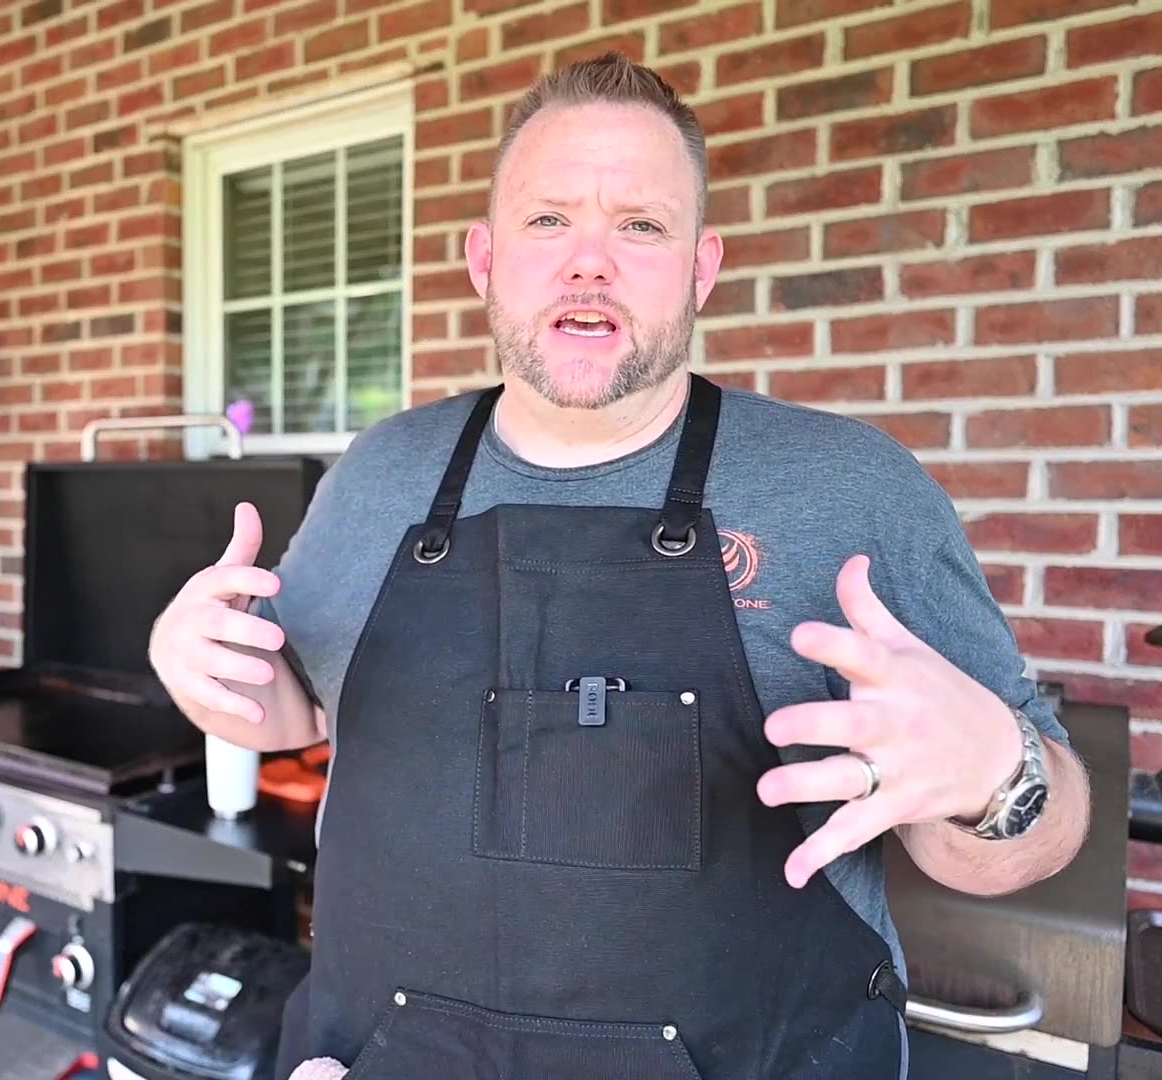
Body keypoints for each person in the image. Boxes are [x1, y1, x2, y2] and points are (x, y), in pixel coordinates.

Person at [147, 52, 1093, 1080]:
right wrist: (194, 661)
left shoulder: (852, 491)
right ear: (484, 259)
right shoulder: (380, 474)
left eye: (639, 225)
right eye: (548, 221)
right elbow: (300, 711)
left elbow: (1025, 842)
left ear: (702, 267)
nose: (588, 262)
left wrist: (999, 777)